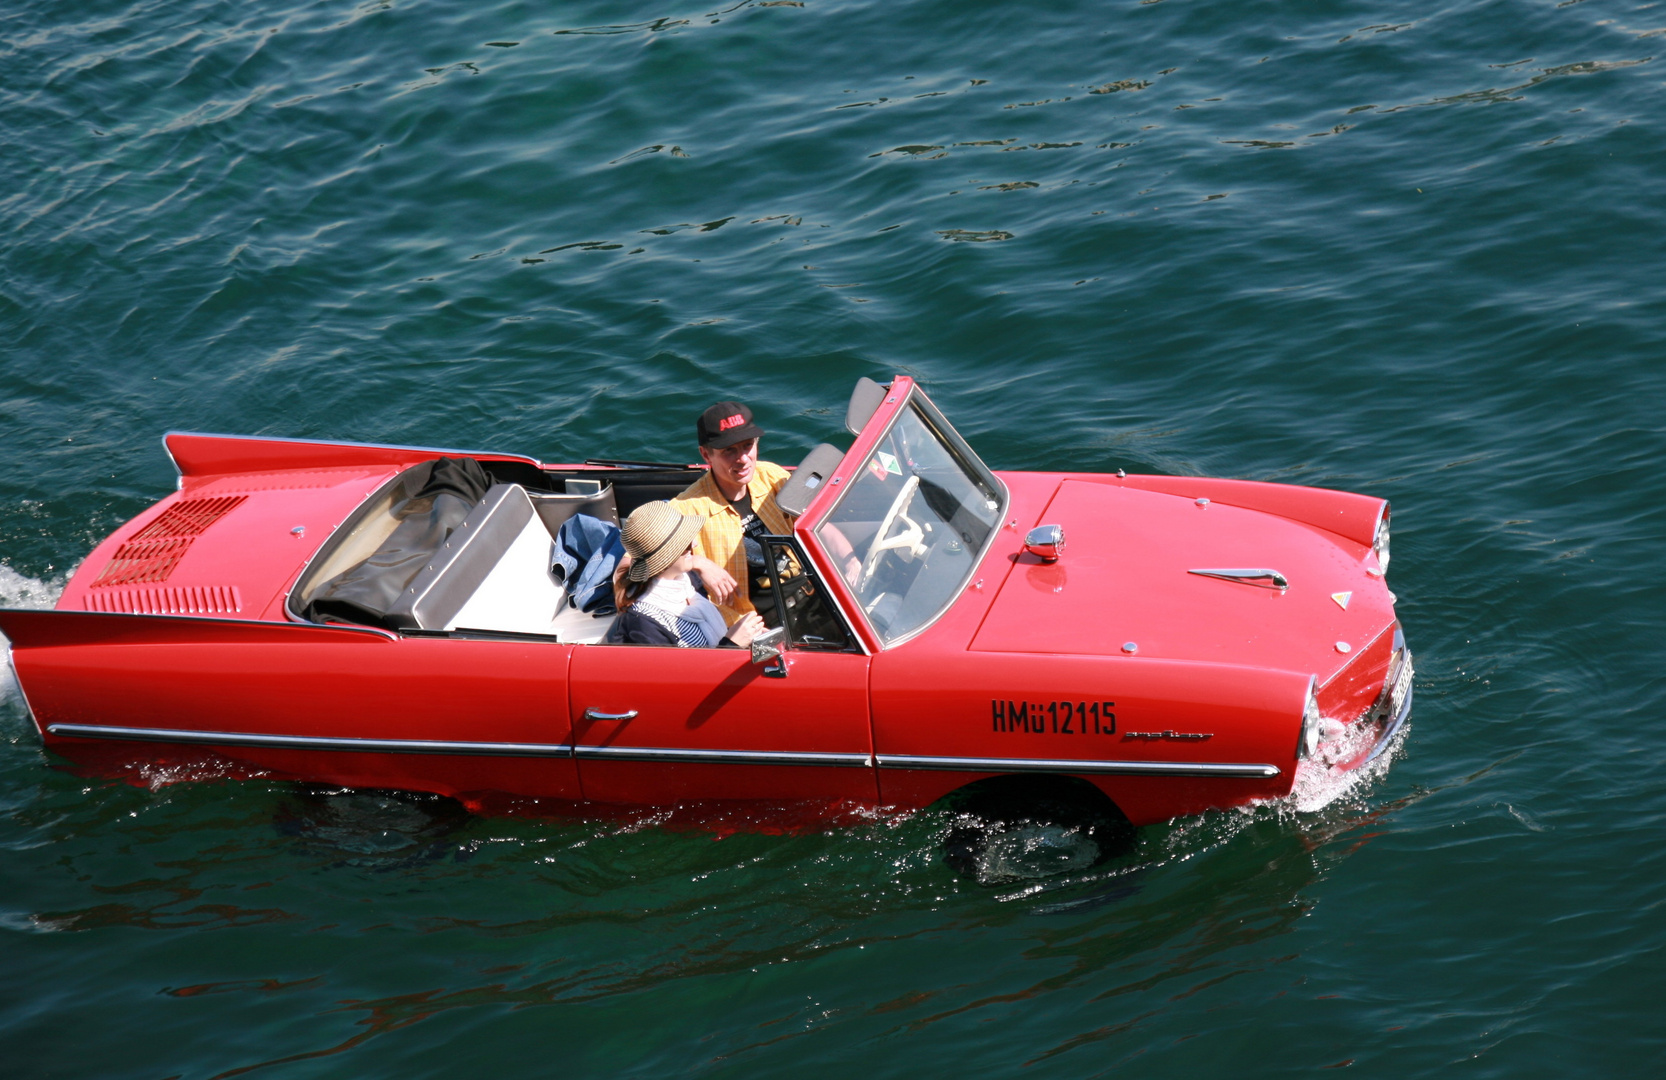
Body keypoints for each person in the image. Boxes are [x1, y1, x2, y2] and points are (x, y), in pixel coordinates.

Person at [671, 401, 796, 623]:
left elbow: (814, 522)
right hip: (757, 620)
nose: (743, 459)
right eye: (729, 450)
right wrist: (699, 564)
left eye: (748, 445)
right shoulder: (687, 507)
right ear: (706, 455)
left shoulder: (772, 476)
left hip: (809, 588)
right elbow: (633, 567)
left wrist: (849, 560)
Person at [606, 500, 766, 648]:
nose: (694, 544)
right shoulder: (643, 622)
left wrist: (748, 635)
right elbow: (678, 676)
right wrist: (732, 644)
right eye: (686, 544)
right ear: (665, 556)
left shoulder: (687, 581)